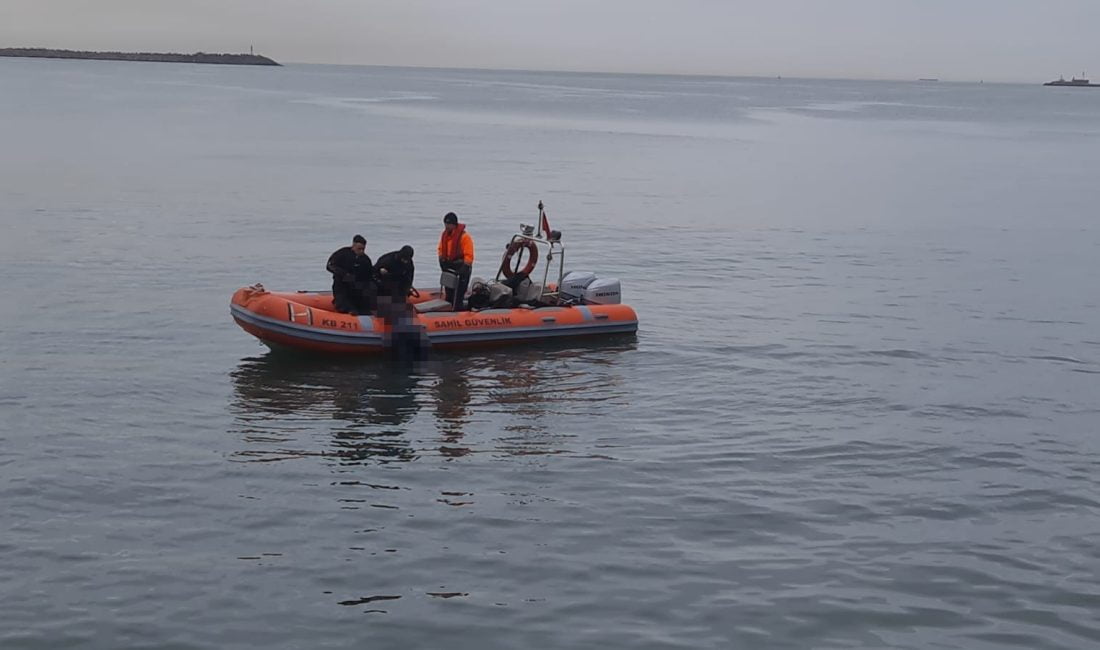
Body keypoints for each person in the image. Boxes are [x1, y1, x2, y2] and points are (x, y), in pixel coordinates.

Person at [326, 234, 375, 315]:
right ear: (353, 245)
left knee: (365, 305)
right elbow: (329, 266)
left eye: (363, 249)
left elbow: (369, 275)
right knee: (343, 302)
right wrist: (343, 274)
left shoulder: (365, 260)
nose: (361, 251)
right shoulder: (342, 253)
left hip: (356, 287)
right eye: (359, 249)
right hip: (341, 284)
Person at [437, 212, 474, 311]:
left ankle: (458, 312)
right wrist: (441, 261)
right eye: (445, 224)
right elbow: (440, 249)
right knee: (449, 294)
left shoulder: (464, 237)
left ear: (454, 224)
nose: (446, 226)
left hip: (461, 268)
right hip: (449, 267)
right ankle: (448, 311)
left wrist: (465, 267)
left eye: (448, 224)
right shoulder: (444, 235)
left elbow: (469, 255)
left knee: (458, 295)